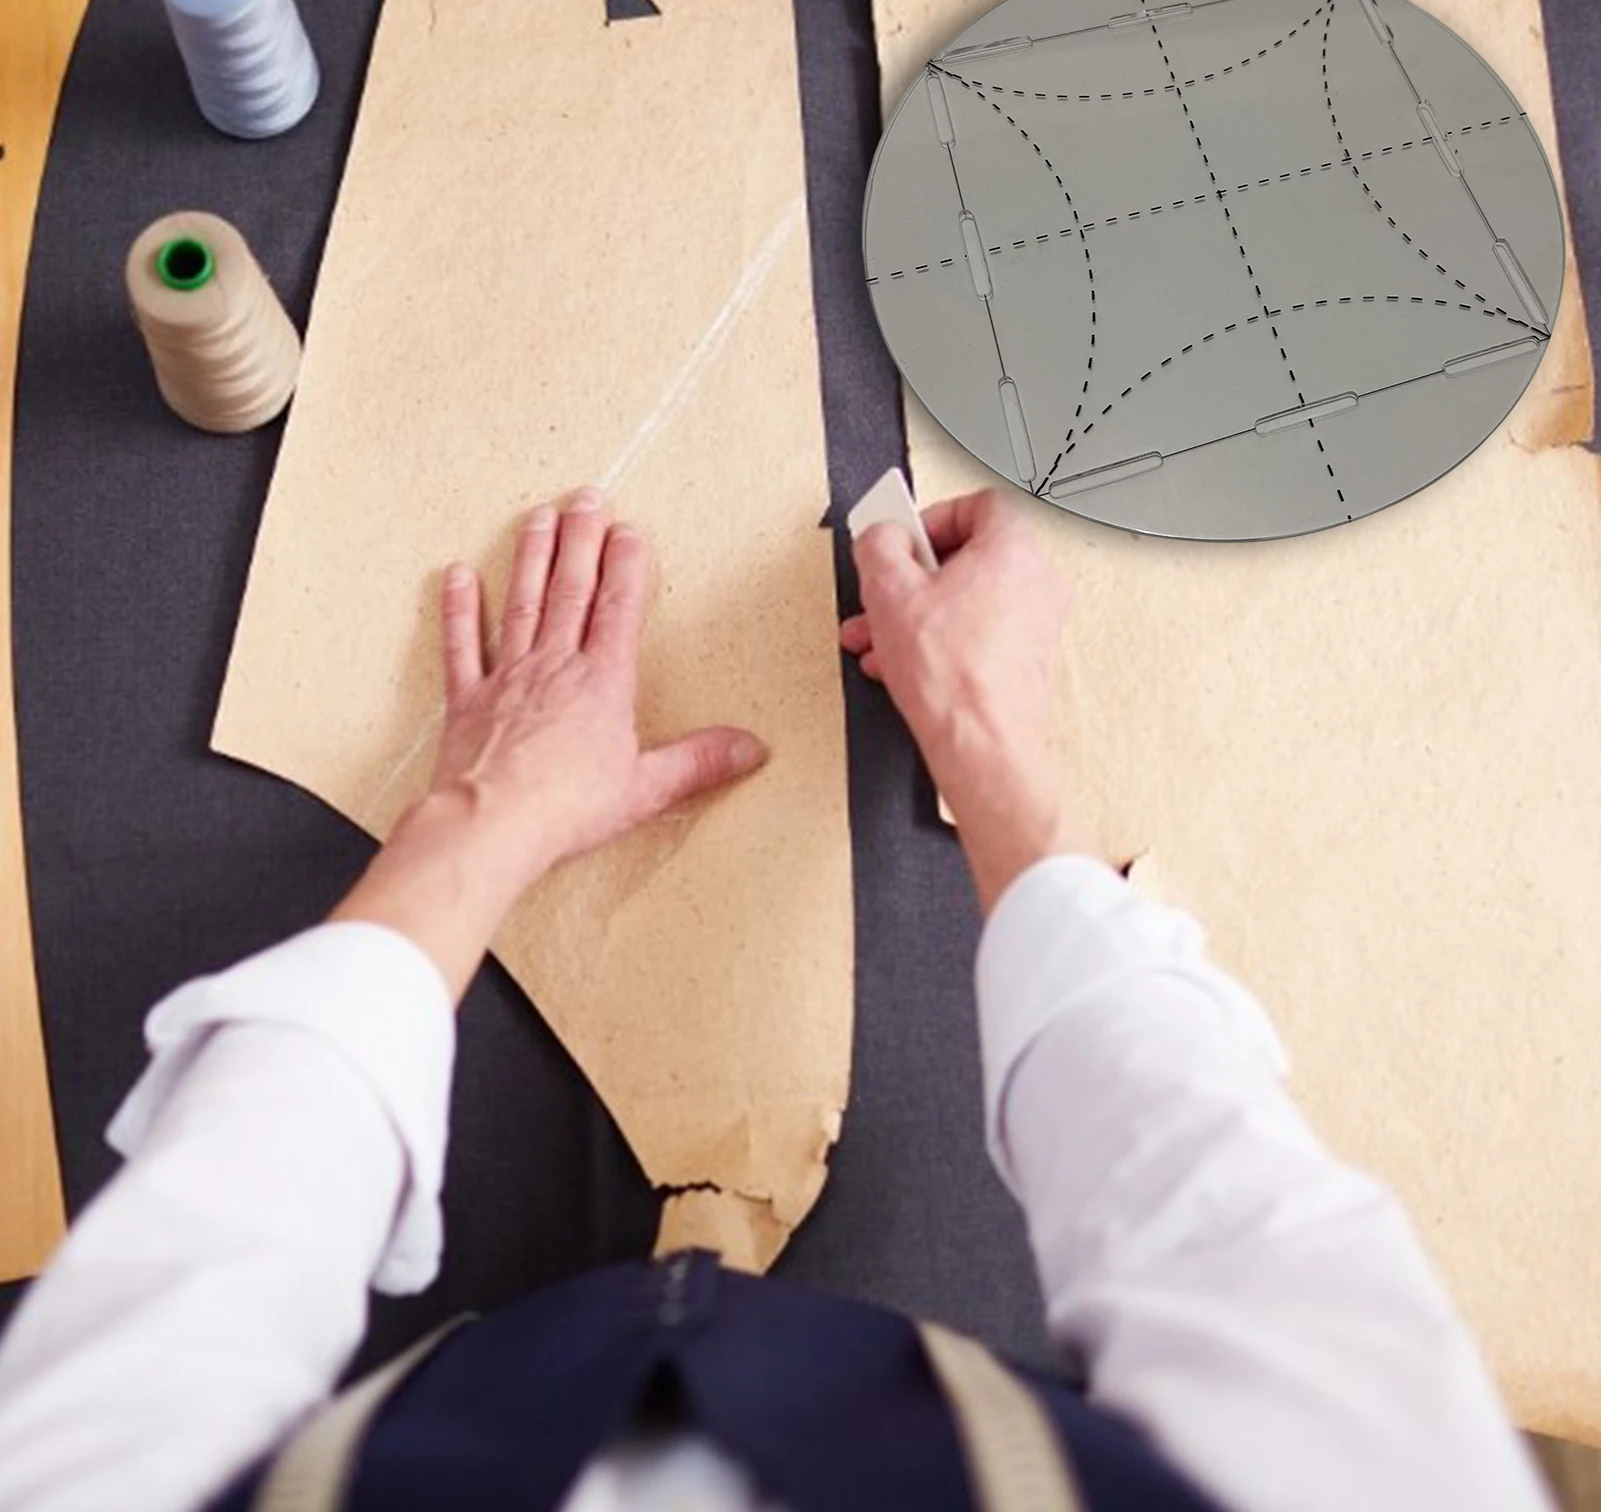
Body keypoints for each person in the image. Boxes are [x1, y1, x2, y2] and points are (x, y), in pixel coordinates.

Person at [0, 486, 1552, 1512]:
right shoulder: (1392, 1476)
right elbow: (1223, 1214)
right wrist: (988, 736)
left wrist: (474, 825)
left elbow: (199, 1264)